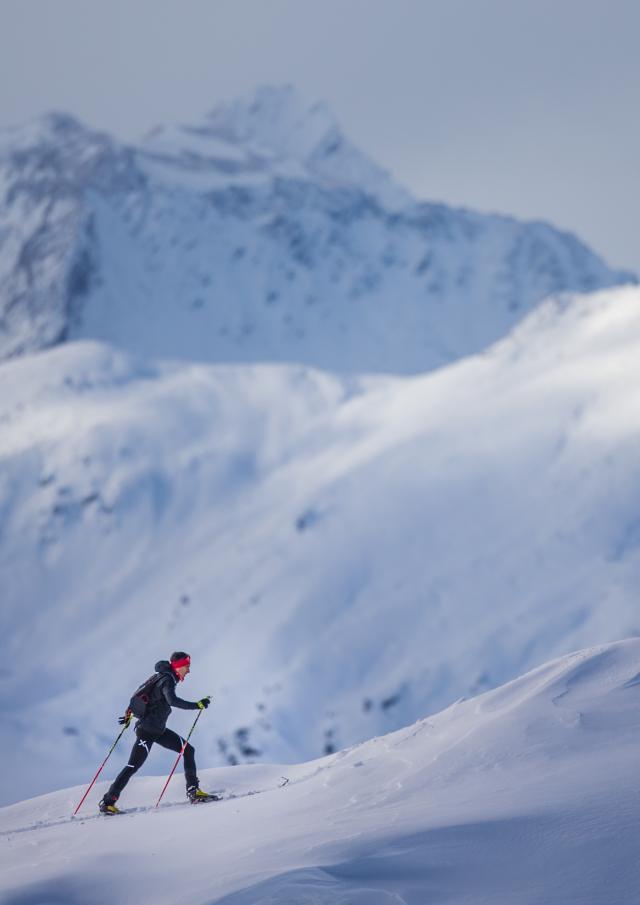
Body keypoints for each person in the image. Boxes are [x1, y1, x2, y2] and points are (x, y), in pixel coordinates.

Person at [99, 651, 215, 814]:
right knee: (132, 766)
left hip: (156, 729)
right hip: (147, 731)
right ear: (179, 666)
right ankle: (107, 802)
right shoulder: (167, 680)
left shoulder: (160, 677)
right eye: (187, 667)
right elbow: (172, 701)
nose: (188, 670)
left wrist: (129, 714)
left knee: (188, 750)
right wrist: (197, 705)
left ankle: (193, 791)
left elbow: (141, 695)